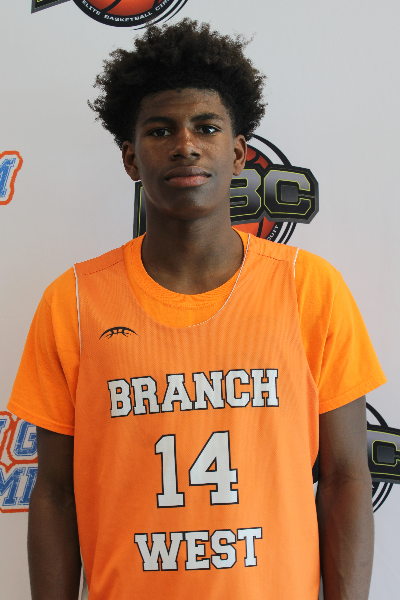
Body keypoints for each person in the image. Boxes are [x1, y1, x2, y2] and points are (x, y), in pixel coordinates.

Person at [8, 19, 386, 600]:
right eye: (160, 130)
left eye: (206, 127)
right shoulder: (74, 300)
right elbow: (55, 494)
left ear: (237, 154)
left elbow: (345, 479)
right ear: (131, 159)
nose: (185, 144)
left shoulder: (309, 287)